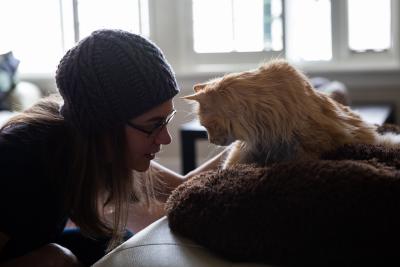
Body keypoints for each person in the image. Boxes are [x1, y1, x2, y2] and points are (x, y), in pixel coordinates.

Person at [0, 29, 225, 267]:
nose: (166, 138)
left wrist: (252, 140)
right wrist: (52, 258)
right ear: (105, 125)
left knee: (123, 246)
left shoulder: (93, 142)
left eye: (166, 120)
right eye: (154, 125)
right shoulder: (20, 163)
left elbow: (182, 187)